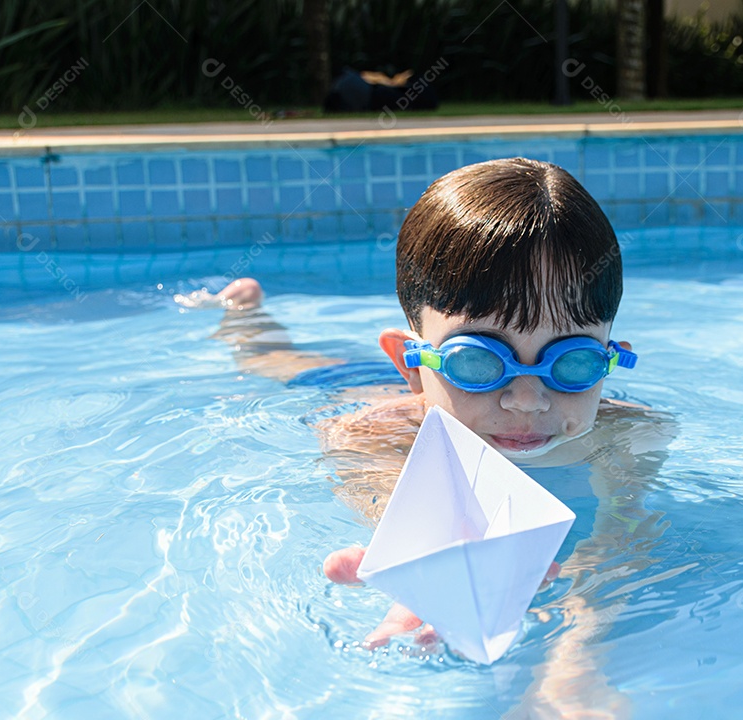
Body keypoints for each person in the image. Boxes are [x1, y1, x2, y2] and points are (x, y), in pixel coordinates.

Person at [178, 157, 675, 717]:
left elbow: (621, 542)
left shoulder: (631, 435)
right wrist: (431, 570)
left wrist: (575, 660)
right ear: (411, 365)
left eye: (574, 362)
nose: (527, 400)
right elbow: (401, 507)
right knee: (272, 359)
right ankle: (245, 317)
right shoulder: (367, 434)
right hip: (352, 390)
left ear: (610, 361)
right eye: (479, 362)